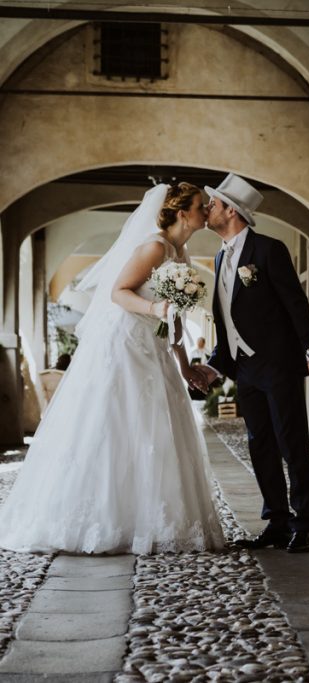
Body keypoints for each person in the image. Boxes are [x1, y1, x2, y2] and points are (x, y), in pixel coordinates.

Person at [0, 183, 224, 554]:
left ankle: (150, 518)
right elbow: (118, 291)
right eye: (203, 205)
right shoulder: (154, 246)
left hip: (156, 349)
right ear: (184, 213)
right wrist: (155, 310)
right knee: (117, 424)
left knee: (155, 429)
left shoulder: (181, 253)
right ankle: (99, 519)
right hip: (127, 345)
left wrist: (184, 365)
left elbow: (177, 318)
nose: (208, 209)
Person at [196, 174, 309, 554]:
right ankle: (277, 522)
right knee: (259, 445)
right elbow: (227, 322)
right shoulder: (220, 256)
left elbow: (295, 303)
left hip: (279, 365)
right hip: (245, 369)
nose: (207, 210)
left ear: (230, 210)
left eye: (213, 204)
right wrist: (216, 366)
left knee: (292, 444)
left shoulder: (269, 250)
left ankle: (304, 525)